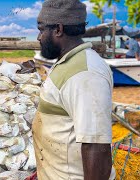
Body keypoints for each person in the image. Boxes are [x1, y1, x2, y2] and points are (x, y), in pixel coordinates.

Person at [32, 0, 115, 179]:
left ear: (58, 29)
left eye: (41, 29)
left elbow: (96, 146)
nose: (38, 37)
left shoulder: (85, 74)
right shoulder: (69, 63)